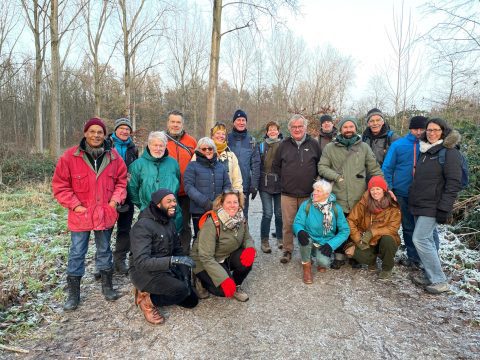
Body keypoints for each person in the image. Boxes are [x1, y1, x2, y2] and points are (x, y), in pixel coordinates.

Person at [52, 118, 127, 311]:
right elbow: (60, 185)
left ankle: (107, 287)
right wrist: (75, 205)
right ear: (85, 133)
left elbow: (121, 181)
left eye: (100, 132)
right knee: (77, 252)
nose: (96, 135)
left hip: (105, 213)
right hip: (81, 215)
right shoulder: (70, 157)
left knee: (104, 250)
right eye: (92, 131)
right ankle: (73, 294)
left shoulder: (114, 157)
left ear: (104, 135)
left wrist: (114, 201)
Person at [317, 116, 383, 269]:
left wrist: (382, 188)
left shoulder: (364, 147)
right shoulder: (330, 148)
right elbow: (322, 167)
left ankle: (355, 255)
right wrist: (336, 176)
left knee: (357, 225)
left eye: (351, 127)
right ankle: (339, 255)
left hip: (358, 195)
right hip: (338, 195)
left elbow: (374, 169)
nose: (348, 129)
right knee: (339, 225)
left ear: (355, 129)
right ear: (340, 129)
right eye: (345, 127)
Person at [409, 118, 463, 294]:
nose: (431, 133)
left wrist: (444, 208)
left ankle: (439, 280)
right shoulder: (427, 151)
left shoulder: (449, 153)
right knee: (429, 240)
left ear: (444, 131)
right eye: (429, 130)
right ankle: (430, 274)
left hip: (433, 205)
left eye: (436, 130)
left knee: (420, 238)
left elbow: (453, 183)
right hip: (420, 203)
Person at [129, 189, 198, 325]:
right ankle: (147, 301)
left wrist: (185, 277)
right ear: (158, 204)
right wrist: (172, 261)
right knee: (180, 290)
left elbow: (178, 250)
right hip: (144, 273)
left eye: (174, 201)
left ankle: (168, 288)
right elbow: (141, 262)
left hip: (165, 267)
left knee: (191, 300)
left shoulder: (169, 222)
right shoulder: (142, 226)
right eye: (169, 201)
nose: (173, 204)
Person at [272, 114, 322, 264]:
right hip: (288, 194)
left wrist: (316, 185)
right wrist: (285, 181)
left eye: (300, 126)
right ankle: (287, 250)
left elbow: (320, 165)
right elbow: (276, 166)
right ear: (289, 129)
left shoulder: (314, 144)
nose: (297, 129)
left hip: (308, 194)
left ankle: (306, 252)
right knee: (288, 224)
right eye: (294, 127)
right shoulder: (283, 145)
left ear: (305, 128)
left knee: (308, 224)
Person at [191, 190, 255, 302]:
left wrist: (250, 248)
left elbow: (247, 237)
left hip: (225, 255)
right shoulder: (212, 223)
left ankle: (235, 286)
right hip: (204, 260)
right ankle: (199, 279)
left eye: (235, 202)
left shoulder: (240, 218)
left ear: (239, 204)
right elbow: (205, 257)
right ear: (221, 204)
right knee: (222, 291)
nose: (232, 205)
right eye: (228, 202)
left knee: (246, 261)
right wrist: (223, 279)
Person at [382, 116, 429, 268]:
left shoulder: (430, 145)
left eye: (422, 129)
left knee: (426, 229)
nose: (419, 132)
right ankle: (413, 258)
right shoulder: (399, 145)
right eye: (416, 129)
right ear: (410, 129)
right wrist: (389, 188)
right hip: (402, 192)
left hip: (424, 195)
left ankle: (428, 259)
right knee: (408, 226)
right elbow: (387, 168)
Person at [293, 180, 350, 284]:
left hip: (325, 242)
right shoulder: (307, 205)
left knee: (323, 262)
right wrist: (299, 231)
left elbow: (345, 231)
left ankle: (318, 258)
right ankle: (307, 267)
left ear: (327, 194)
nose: (314, 193)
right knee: (304, 240)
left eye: (318, 191)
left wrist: (331, 245)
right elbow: (298, 222)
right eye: (314, 190)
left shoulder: (336, 208)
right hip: (309, 238)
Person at [345, 176, 401, 279]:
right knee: (350, 251)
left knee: (388, 240)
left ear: (384, 190)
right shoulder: (363, 203)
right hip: (368, 240)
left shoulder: (392, 206)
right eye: (372, 189)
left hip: (383, 239)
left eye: (378, 189)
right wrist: (358, 239)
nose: (375, 192)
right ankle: (372, 261)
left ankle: (387, 268)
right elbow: (350, 221)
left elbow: (393, 228)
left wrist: (372, 232)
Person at [128, 131, 182, 231]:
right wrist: (143, 205)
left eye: (161, 145)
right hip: (148, 213)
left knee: (171, 243)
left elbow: (178, 183)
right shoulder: (138, 165)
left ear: (166, 146)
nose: (158, 149)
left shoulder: (173, 163)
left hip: (171, 214)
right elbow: (132, 189)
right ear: (149, 145)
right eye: (155, 145)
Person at [106, 117, 138, 275]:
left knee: (124, 228)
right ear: (115, 130)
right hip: (107, 193)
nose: (125, 131)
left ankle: (119, 259)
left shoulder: (133, 148)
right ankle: (103, 262)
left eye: (127, 129)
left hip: (128, 193)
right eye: (122, 128)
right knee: (105, 228)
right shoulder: (106, 144)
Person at [184, 137, 231, 238]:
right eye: (204, 149)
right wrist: (205, 202)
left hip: (218, 209)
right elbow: (189, 187)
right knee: (201, 237)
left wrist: (221, 201)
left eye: (210, 148)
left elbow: (227, 185)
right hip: (199, 210)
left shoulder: (221, 166)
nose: (207, 151)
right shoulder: (192, 166)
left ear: (214, 150)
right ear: (198, 150)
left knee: (218, 236)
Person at [165, 110, 197, 254]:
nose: (175, 125)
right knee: (166, 223)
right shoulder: (161, 141)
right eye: (173, 122)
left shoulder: (191, 142)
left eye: (178, 122)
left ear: (182, 124)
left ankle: (184, 253)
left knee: (185, 224)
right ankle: (167, 252)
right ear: (168, 123)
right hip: (166, 192)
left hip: (186, 192)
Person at [227, 109, 261, 219]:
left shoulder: (252, 141)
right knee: (226, 215)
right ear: (234, 122)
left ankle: (243, 236)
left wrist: (254, 185)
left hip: (244, 186)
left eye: (243, 120)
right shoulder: (226, 139)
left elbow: (256, 164)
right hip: (227, 184)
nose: (241, 122)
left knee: (242, 215)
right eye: (238, 120)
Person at [259, 121, 283, 253]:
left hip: (280, 184)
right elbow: (257, 165)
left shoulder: (284, 145)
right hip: (265, 184)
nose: (272, 131)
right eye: (270, 129)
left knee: (279, 214)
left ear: (278, 131)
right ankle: (264, 240)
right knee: (267, 213)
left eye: (275, 129)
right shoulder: (261, 146)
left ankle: (280, 238)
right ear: (267, 132)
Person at [210, 122, 243, 194]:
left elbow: (237, 179)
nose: (221, 136)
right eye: (218, 133)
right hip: (207, 197)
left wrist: (238, 194)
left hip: (226, 196)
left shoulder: (231, 155)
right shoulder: (203, 151)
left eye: (223, 134)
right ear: (212, 136)